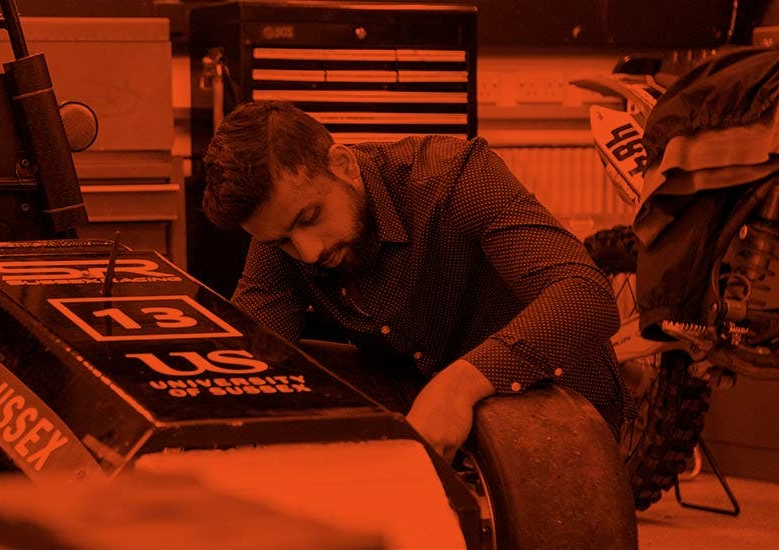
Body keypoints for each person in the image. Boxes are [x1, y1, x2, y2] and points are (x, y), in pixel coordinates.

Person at [200, 100, 627, 459]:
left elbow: (586, 296)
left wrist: (458, 386)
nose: (309, 253)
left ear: (343, 165)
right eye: (284, 242)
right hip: (419, 392)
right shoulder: (285, 233)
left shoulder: (454, 178)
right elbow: (251, 355)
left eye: (311, 218)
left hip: (553, 400)